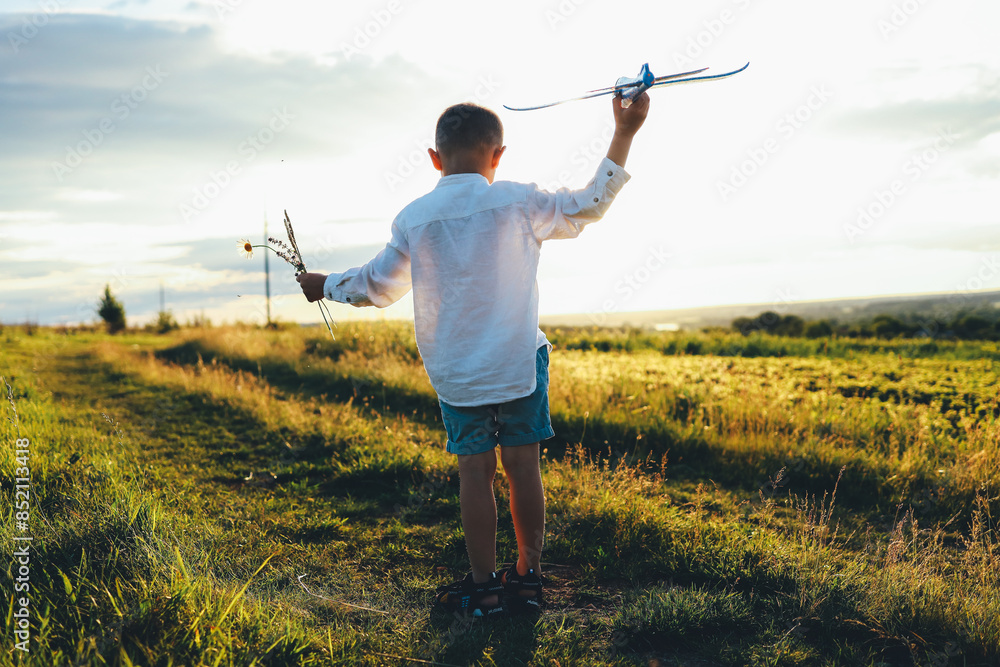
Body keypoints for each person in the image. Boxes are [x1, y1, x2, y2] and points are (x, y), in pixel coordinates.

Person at [296, 91, 649, 617]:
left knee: (474, 473)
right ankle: (529, 579)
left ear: (434, 157)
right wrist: (625, 131)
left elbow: (376, 287)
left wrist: (325, 284)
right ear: (498, 155)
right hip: (519, 363)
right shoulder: (519, 200)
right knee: (523, 468)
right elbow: (592, 203)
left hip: (457, 371)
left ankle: (483, 586)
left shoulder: (414, 217)